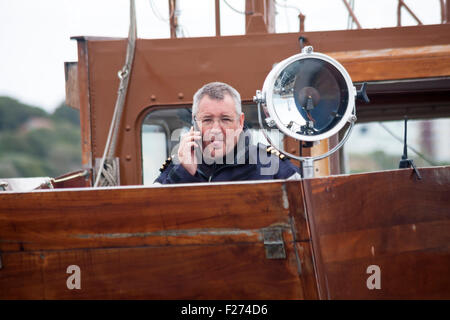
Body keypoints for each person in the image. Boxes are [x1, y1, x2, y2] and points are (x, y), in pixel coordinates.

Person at [154, 82, 300, 184]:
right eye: (207, 120)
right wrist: (184, 173)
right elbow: (151, 216)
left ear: (240, 121)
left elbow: (311, 214)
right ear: (194, 122)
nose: (216, 129)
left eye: (225, 119)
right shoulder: (176, 168)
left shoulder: (274, 167)